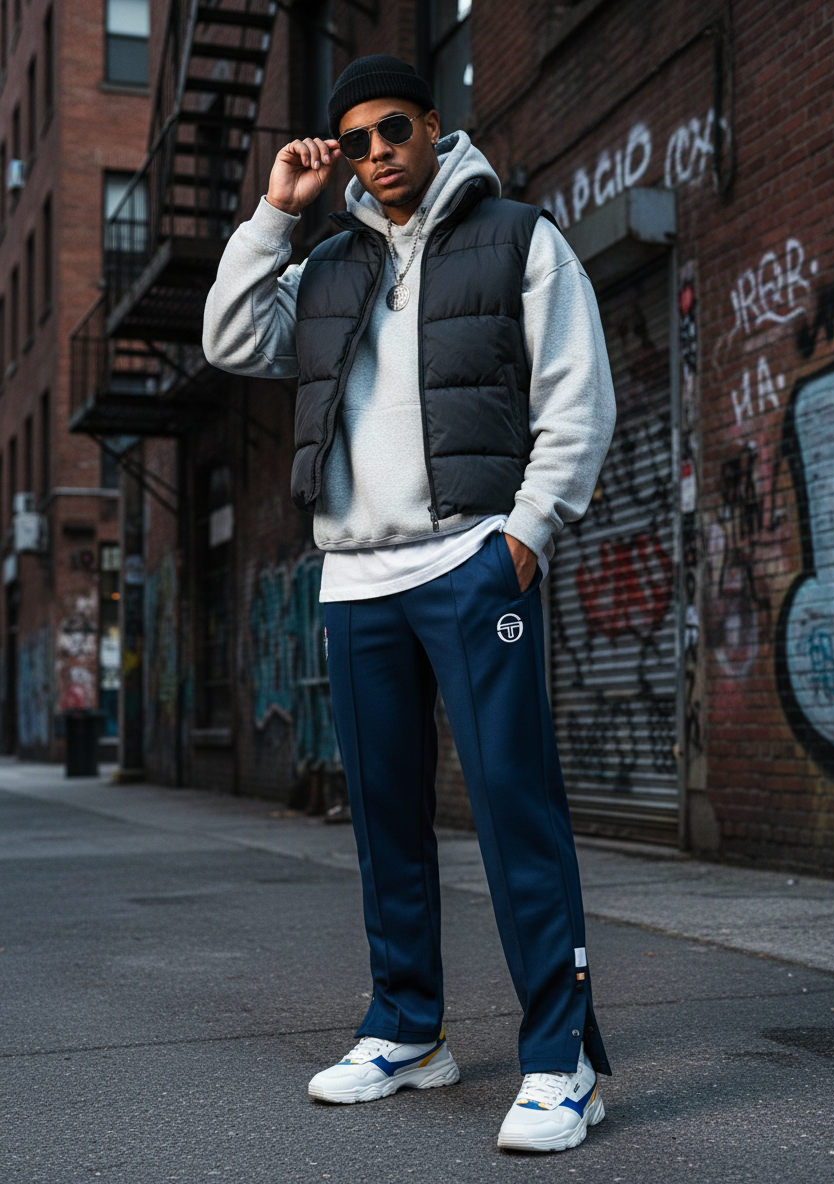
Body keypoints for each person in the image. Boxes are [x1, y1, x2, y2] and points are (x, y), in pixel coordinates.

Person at [203, 54, 616, 1154]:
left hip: (474, 562)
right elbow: (232, 338)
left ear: (436, 127)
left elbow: (578, 389)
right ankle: (407, 1027)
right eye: (356, 138)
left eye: (394, 128)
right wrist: (275, 213)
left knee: (513, 806)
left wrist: (526, 535)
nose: (378, 151)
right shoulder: (329, 264)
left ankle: (561, 1058)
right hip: (357, 578)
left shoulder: (516, 236)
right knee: (384, 822)